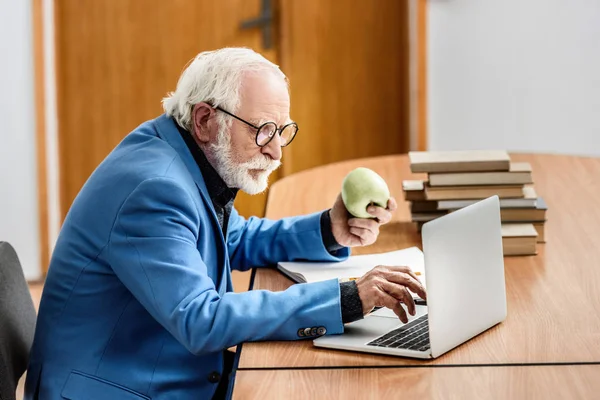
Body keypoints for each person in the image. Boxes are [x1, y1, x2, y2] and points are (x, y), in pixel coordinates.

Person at [25, 47, 426, 400]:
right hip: (117, 390)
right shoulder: (153, 189)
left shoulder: (179, 153)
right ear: (204, 119)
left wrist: (329, 229)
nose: (275, 153)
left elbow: (231, 236)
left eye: (282, 131)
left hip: (156, 370)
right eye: (262, 131)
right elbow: (201, 318)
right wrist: (347, 297)